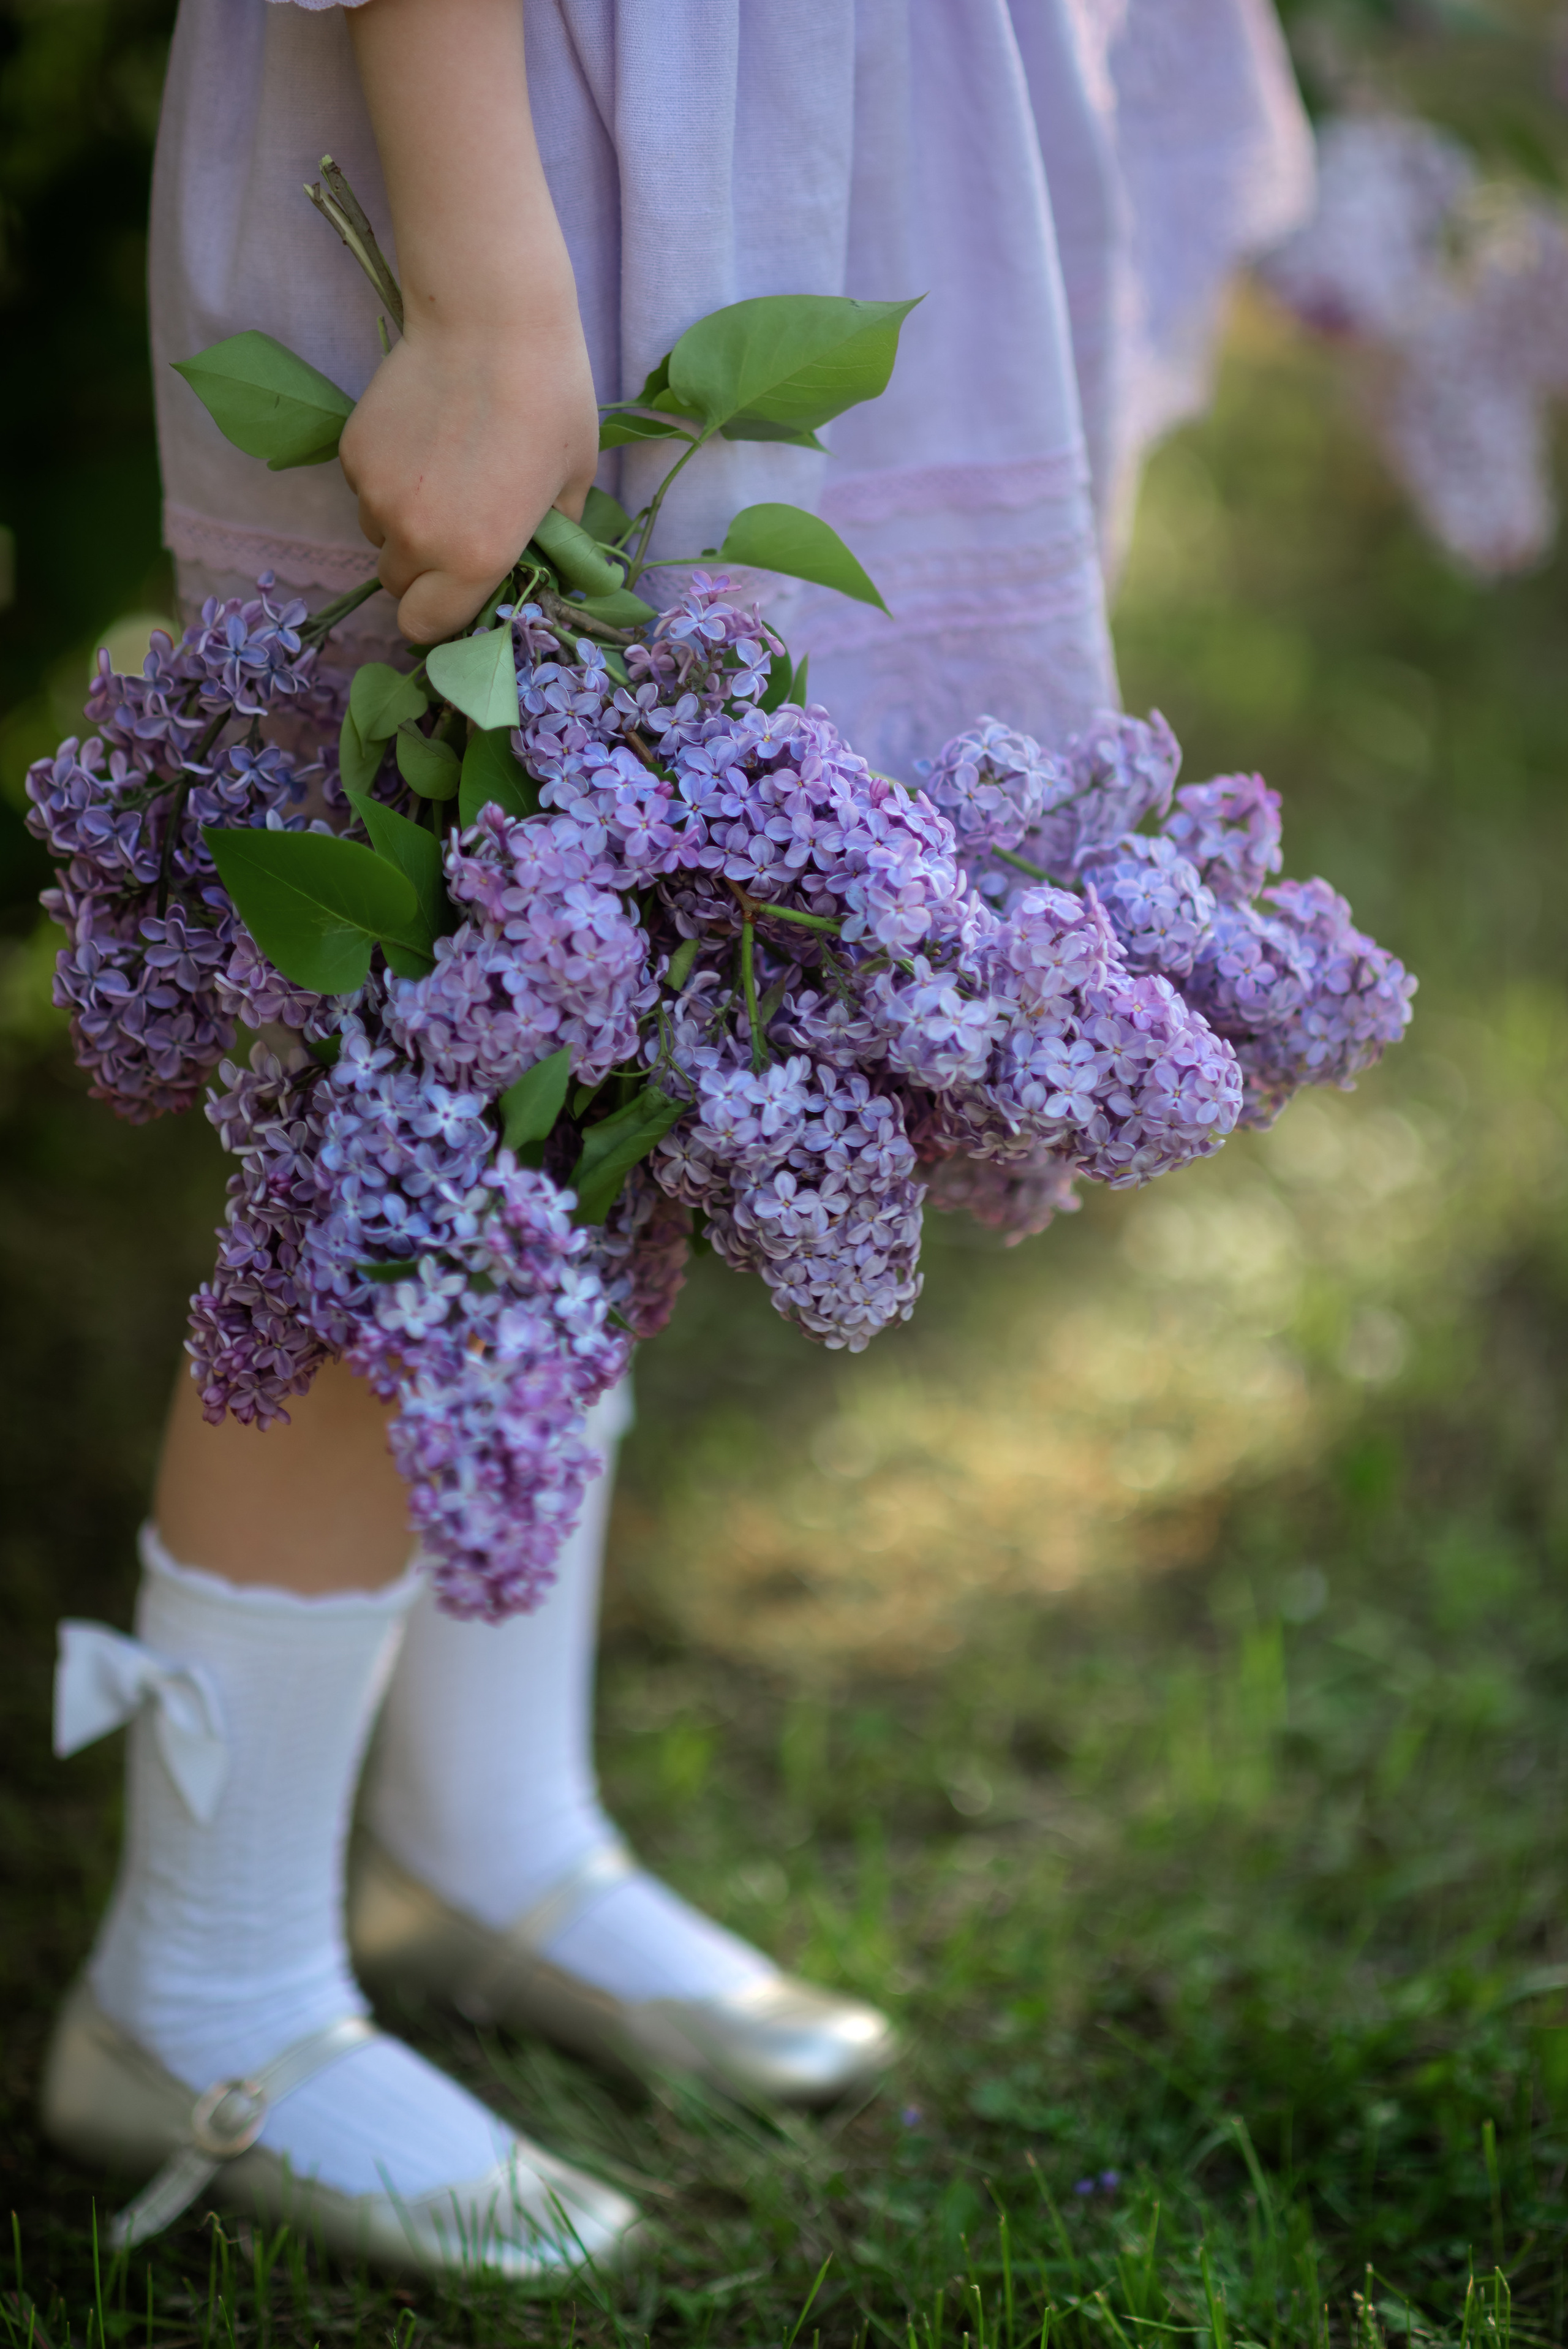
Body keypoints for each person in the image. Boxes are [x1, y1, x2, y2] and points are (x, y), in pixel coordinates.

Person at [41, 0, 1313, 2286]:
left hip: (817, 119)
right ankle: (194, 1983)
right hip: (528, 161)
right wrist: (477, 281)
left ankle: (484, 1823)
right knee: (440, 1044)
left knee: (659, 986)